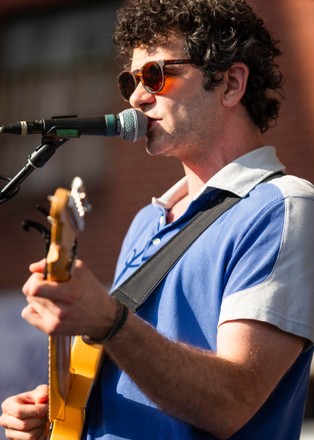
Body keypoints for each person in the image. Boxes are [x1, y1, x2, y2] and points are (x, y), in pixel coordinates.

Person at [1, 0, 314, 438]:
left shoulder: (284, 209)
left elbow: (231, 401)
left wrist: (108, 320)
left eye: (156, 75)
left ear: (230, 82)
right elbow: (138, 370)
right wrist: (66, 411)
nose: (135, 96)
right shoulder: (147, 221)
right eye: (130, 79)